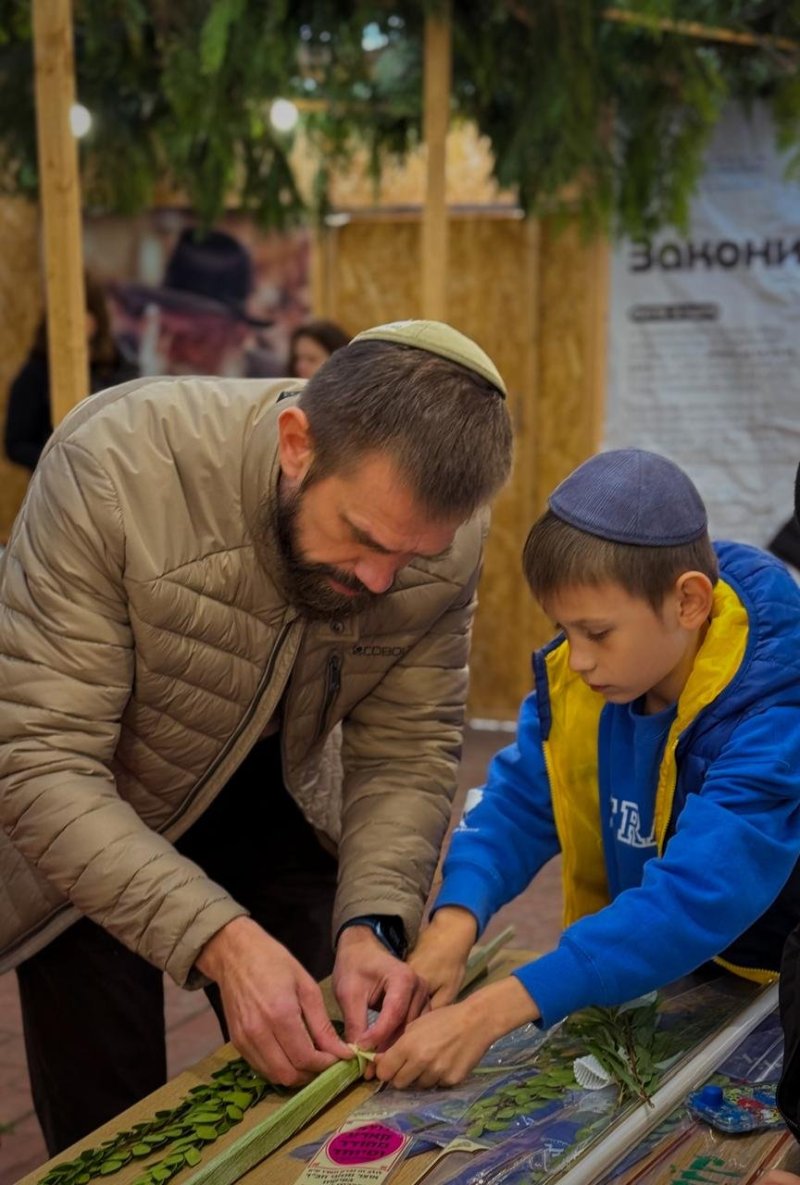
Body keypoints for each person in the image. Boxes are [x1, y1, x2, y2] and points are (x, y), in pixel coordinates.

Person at [0, 318, 512, 1154]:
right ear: (296, 443)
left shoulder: (438, 537)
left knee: (325, 1073)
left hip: (282, 796)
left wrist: (376, 921)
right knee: (115, 1131)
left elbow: (408, 746)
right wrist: (219, 942)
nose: (380, 580)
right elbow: (39, 760)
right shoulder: (114, 465)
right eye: (366, 539)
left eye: (413, 557)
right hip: (95, 819)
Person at [374, 448, 800, 1090]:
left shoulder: (773, 708)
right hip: (652, 968)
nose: (577, 660)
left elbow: (695, 895)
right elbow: (520, 799)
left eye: (598, 633)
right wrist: (452, 923)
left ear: (688, 603)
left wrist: (494, 1010)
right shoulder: (599, 679)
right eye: (564, 630)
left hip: (767, 989)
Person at [4, 274, 138, 471]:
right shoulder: (37, 372)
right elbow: (15, 444)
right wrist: (62, 461)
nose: (71, 322)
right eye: (63, 314)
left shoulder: (119, 366)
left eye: (81, 312)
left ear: (96, 317)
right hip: (57, 486)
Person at [108, 227, 279, 378]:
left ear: (238, 336)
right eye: (164, 331)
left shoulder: (272, 381)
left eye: (197, 339)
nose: (171, 350)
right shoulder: (122, 373)